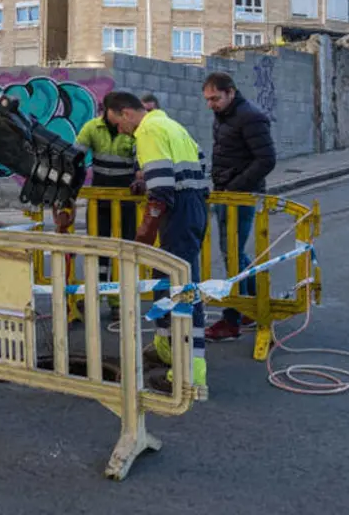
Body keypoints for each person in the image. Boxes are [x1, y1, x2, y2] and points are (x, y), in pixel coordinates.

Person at [108, 92, 209, 394]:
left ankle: (191, 373)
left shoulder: (148, 132)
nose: (119, 131)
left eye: (117, 123)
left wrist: (145, 232)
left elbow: (162, 190)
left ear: (126, 113)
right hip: (192, 206)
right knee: (167, 281)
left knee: (182, 287)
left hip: (177, 210)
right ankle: (167, 349)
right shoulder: (173, 126)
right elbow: (200, 163)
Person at [55, 92, 144, 320]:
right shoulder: (92, 128)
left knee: (123, 249)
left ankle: (118, 299)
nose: (122, 119)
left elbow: (140, 163)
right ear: (109, 112)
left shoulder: (134, 131)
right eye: (119, 114)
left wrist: (139, 179)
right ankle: (94, 294)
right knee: (98, 249)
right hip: (99, 199)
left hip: (126, 201)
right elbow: (76, 159)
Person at [202, 72, 276, 342]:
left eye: (215, 98)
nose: (211, 104)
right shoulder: (225, 116)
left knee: (233, 255)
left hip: (240, 198)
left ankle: (232, 320)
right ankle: (253, 307)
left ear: (230, 92)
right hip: (226, 195)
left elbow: (266, 159)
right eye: (208, 100)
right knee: (234, 254)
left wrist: (235, 188)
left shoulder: (250, 116)